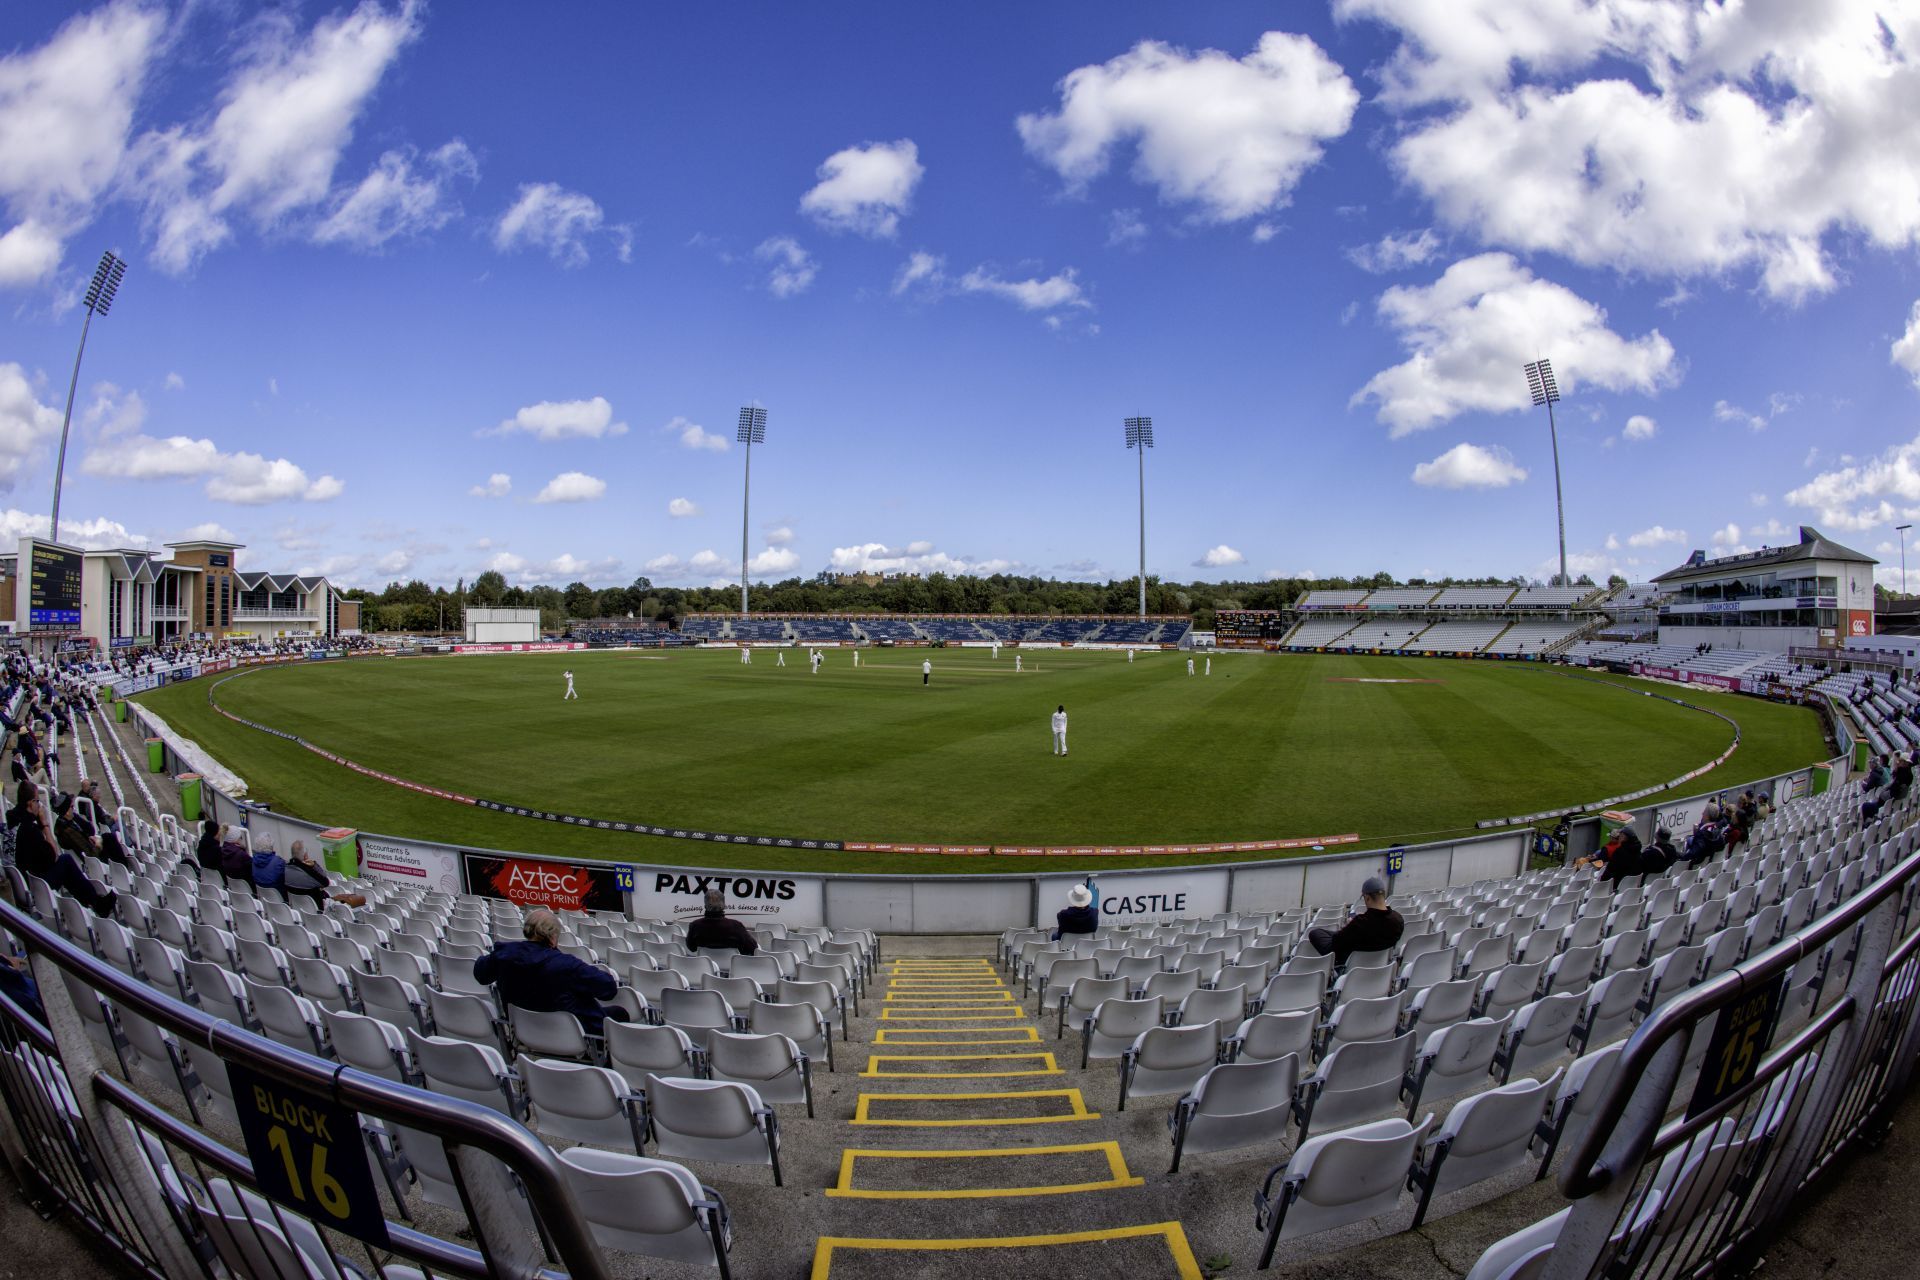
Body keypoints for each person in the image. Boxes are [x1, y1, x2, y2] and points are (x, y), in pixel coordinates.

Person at [473, 908, 628, 1036]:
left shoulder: (504, 954)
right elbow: (608, 989)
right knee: (619, 1013)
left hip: (526, 1031)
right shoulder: (566, 965)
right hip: (572, 1034)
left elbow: (481, 973)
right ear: (553, 936)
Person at [1307, 877, 1404, 966]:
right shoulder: (1398, 919)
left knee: (1315, 933)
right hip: (1381, 968)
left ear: (1367, 898)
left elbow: (1336, 944)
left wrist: (1349, 926)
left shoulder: (1360, 923)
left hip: (1353, 967)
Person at [685, 889, 759, 954]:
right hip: (732, 967)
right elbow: (753, 948)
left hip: (705, 967)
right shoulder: (736, 926)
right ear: (724, 906)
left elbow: (691, 948)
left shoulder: (695, 926)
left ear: (705, 906)